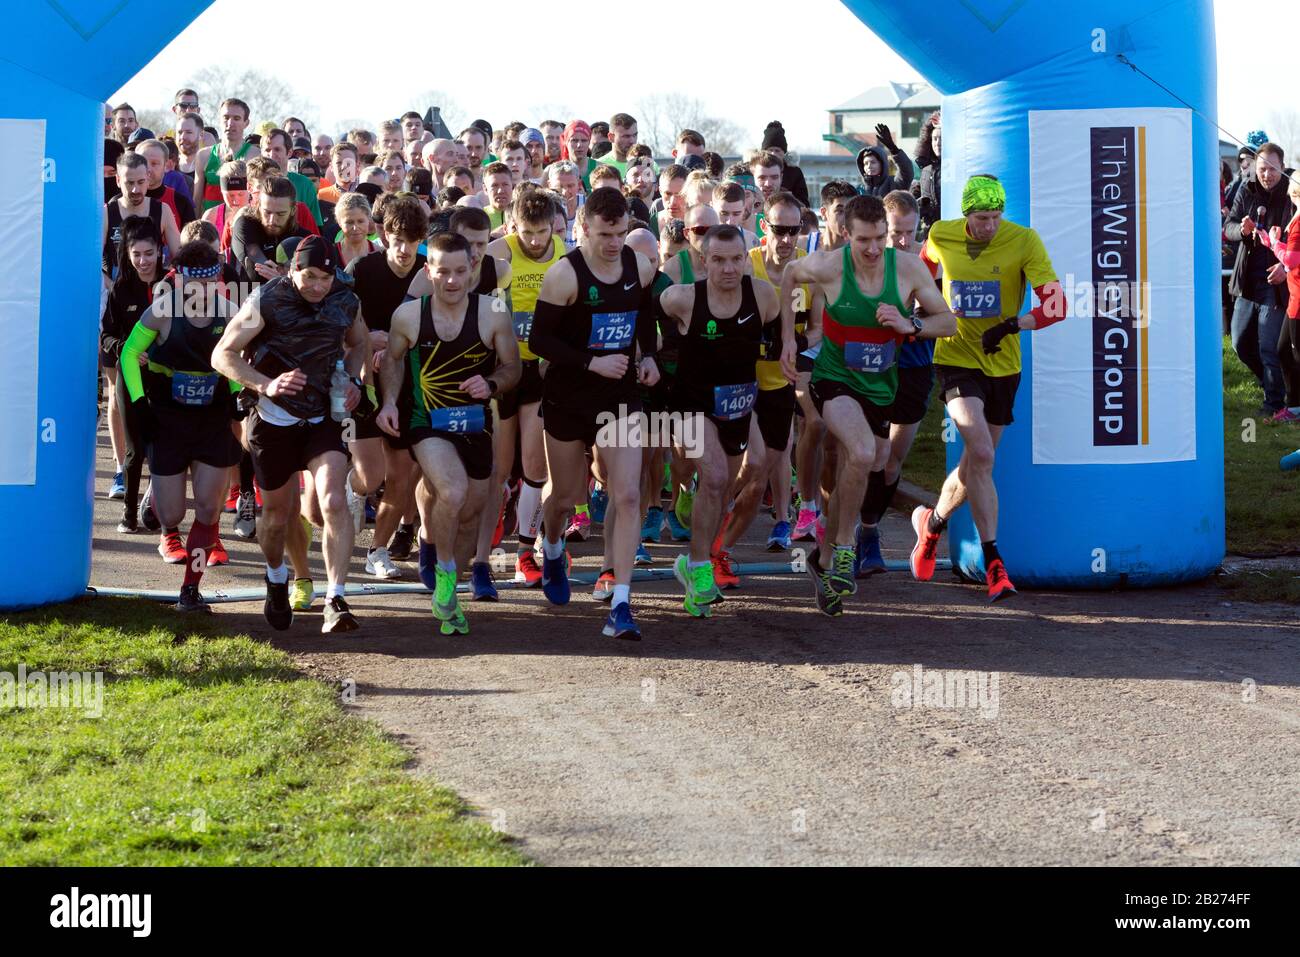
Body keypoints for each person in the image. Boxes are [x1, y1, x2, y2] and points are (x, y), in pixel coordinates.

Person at [778, 194, 957, 616]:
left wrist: (910, 325)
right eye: (864, 240)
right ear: (847, 235)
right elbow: (788, 275)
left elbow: (947, 321)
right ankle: (844, 551)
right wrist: (789, 336)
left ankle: (821, 559)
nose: (874, 249)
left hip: (880, 387)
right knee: (859, 452)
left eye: (880, 238)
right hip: (834, 379)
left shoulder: (908, 268)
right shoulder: (827, 265)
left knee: (865, 463)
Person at [911, 174, 1066, 602]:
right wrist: (918, 315)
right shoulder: (941, 234)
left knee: (978, 461)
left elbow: (1056, 305)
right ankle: (995, 563)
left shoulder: (1024, 240)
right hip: (956, 358)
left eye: (996, 217)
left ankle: (933, 523)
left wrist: (1013, 324)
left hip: (1002, 362)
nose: (990, 226)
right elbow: (918, 276)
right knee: (981, 452)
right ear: (966, 215)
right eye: (981, 218)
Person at [212, 235, 370, 633]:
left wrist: (353, 379)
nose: (318, 285)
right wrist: (266, 384)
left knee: (334, 500)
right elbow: (222, 354)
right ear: (292, 271)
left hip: (323, 417)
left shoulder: (346, 300)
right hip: (273, 419)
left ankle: (336, 597)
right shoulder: (266, 300)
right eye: (309, 276)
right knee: (277, 516)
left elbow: (360, 341)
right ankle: (277, 575)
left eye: (325, 278)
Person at [528, 188, 660, 639]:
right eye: (605, 234)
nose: (613, 243)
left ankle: (621, 603)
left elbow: (644, 313)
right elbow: (539, 343)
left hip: (620, 395)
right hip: (569, 396)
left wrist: (649, 356)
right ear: (583, 228)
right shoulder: (564, 276)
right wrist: (590, 360)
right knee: (565, 497)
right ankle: (551, 543)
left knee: (626, 495)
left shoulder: (639, 265)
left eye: (621, 233)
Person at [376, 232, 521, 634]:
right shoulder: (409, 316)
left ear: (473, 269)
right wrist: (389, 402)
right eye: (443, 272)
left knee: (472, 510)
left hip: (475, 423)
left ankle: (442, 560)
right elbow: (392, 361)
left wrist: (490, 384)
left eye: (461, 271)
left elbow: (513, 368)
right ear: (429, 271)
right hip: (427, 422)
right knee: (453, 490)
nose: (453, 281)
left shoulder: (492, 312)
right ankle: (444, 575)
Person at [660, 225, 780, 616]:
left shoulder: (762, 295)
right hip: (691, 405)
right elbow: (646, 317)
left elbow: (780, 337)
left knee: (726, 486)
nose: (728, 268)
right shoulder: (681, 299)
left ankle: (695, 555)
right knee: (712, 478)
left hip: (738, 407)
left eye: (736, 259)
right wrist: (648, 358)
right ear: (703, 260)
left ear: (746, 259)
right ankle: (697, 570)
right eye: (718, 260)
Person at [119, 241, 242, 612]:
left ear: (217, 280)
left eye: (207, 283)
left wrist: (239, 396)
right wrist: (140, 403)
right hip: (168, 420)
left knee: (208, 509)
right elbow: (127, 353)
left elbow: (237, 360)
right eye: (193, 284)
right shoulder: (162, 312)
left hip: (211, 420)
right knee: (171, 514)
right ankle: (159, 503)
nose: (200, 292)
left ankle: (191, 587)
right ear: (178, 279)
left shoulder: (231, 313)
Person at [717, 191, 820, 566]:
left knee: (760, 473)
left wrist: (794, 343)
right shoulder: (746, 267)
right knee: (755, 462)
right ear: (765, 228)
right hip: (743, 382)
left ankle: (720, 542)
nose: (787, 238)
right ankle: (713, 520)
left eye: (794, 230)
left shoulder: (811, 270)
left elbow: (821, 327)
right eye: (779, 229)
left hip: (781, 383)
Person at [480, 190, 565, 594]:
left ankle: (524, 553)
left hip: (540, 370)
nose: (534, 240)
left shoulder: (566, 254)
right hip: (501, 371)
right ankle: (481, 551)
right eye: (527, 232)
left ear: (554, 226)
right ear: (513, 226)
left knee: (536, 467)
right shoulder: (500, 250)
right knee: (499, 468)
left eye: (542, 232)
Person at [1223, 142, 1295, 416]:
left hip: (1276, 284)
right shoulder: (1246, 189)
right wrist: (1241, 230)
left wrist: (1285, 267)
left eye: (1273, 169)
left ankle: (1274, 405)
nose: (1267, 175)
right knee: (1240, 343)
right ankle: (1272, 385)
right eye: (1262, 169)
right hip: (1247, 282)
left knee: (1268, 346)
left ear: (1282, 167)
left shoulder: (1292, 194)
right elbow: (1227, 227)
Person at [100, 216, 163, 521]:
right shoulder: (121, 289)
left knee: (162, 445)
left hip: (165, 378)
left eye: (149, 254)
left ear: (160, 251)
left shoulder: (173, 285)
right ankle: (128, 513)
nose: (143, 261)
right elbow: (106, 335)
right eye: (136, 254)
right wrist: (126, 348)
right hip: (131, 377)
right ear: (126, 253)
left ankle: (153, 503)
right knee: (135, 449)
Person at [1257, 171, 1300, 422]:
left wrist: (1274, 243)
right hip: (1294, 299)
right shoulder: (1294, 219)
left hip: (1298, 303)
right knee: (1284, 350)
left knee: (1294, 354)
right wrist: (1268, 240)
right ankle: (1294, 409)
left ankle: (1295, 409)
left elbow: (1292, 261)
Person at [103, 152, 181, 280]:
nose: (136, 190)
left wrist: (167, 282)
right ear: (118, 180)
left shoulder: (162, 210)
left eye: (140, 182)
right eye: (129, 183)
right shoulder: (107, 213)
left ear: (148, 177)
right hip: (118, 288)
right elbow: (93, 261)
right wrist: (110, 286)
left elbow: (179, 257)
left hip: (153, 289)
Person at [230, 177, 309, 284]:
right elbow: (257, 271)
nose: (272, 220)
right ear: (258, 206)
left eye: (280, 214)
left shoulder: (304, 238)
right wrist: (286, 277)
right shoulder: (246, 225)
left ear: (293, 210)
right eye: (267, 212)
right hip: (248, 297)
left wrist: (281, 277)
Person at [194, 98, 259, 212]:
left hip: (242, 224)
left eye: (236, 118)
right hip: (211, 225)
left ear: (246, 123)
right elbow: (197, 200)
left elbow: (258, 199)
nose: (230, 123)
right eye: (226, 117)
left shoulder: (255, 155)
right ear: (219, 119)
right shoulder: (203, 155)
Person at [760, 122, 810, 207]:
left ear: (784, 153)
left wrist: (789, 198)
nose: (773, 153)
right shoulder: (754, 170)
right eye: (770, 150)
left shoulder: (794, 172)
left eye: (777, 150)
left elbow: (805, 206)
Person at [856, 124, 913, 198]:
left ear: (883, 164)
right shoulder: (860, 190)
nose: (869, 166)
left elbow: (907, 172)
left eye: (873, 162)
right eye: (865, 163)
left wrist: (893, 148)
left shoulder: (894, 184)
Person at [913, 112, 941, 234]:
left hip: (951, 231)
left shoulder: (957, 168)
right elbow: (915, 196)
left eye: (942, 138)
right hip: (929, 232)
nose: (938, 143)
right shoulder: (926, 169)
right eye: (935, 139)